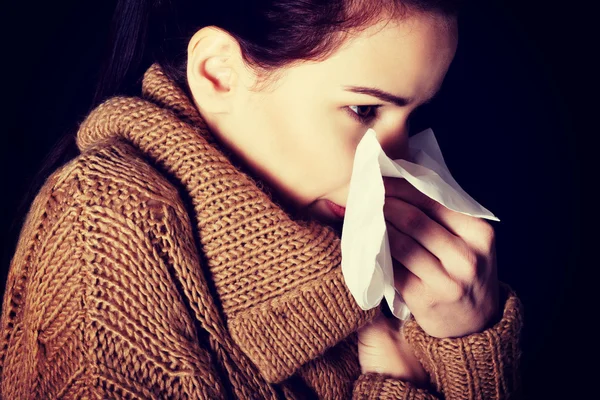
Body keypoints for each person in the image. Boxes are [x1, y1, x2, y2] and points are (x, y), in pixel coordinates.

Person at [0, 0, 524, 398]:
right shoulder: (104, 230)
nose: (395, 164)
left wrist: (464, 341)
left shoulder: (367, 255)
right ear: (220, 75)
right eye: (365, 110)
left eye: (411, 118)